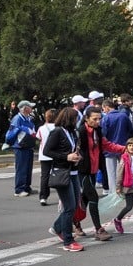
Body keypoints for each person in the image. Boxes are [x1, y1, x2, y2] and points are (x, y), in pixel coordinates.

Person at [76, 107, 125, 241]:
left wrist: (124, 149)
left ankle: (75, 224)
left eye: (99, 118)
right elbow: (75, 150)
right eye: (95, 119)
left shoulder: (97, 131)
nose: (98, 121)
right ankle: (98, 229)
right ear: (86, 119)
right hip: (82, 170)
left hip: (93, 169)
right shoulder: (81, 132)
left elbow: (107, 145)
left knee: (85, 199)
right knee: (93, 197)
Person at [44, 107, 84, 252]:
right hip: (62, 171)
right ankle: (68, 240)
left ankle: (57, 227)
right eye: (75, 118)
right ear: (69, 119)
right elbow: (46, 151)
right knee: (69, 207)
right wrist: (66, 157)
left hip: (73, 171)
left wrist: (77, 157)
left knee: (74, 205)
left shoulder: (73, 132)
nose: (77, 121)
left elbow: (74, 149)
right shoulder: (57, 132)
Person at [101, 95, 133, 196]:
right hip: (123, 147)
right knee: (125, 170)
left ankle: (113, 192)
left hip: (109, 149)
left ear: (106, 107)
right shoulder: (124, 116)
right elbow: (130, 131)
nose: (104, 111)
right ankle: (126, 190)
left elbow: (103, 134)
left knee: (111, 173)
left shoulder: (106, 118)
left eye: (104, 109)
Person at [7, 100, 38, 197]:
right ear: (25, 108)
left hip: (28, 145)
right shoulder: (17, 119)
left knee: (28, 168)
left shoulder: (27, 118)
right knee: (21, 168)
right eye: (30, 107)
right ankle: (19, 189)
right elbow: (13, 131)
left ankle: (26, 187)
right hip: (20, 146)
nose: (32, 109)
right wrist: (26, 130)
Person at [35, 108, 57, 206]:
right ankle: (62, 195)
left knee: (45, 176)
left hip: (44, 155)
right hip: (56, 154)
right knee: (60, 173)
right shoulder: (59, 127)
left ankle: (43, 197)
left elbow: (39, 138)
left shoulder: (41, 128)